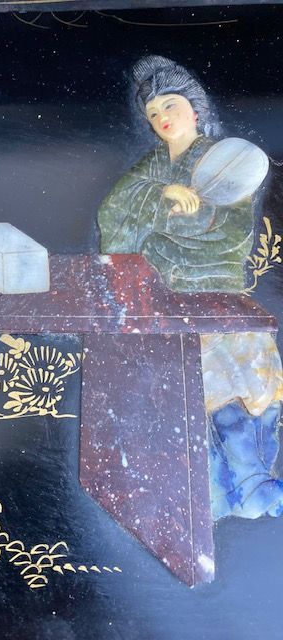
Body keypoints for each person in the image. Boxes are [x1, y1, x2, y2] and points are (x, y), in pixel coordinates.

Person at [98, 55, 283, 519]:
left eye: (170, 106)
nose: (162, 117)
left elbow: (230, 232)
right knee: (187, 398)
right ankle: (219, 493)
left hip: (217, 290)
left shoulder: (226, 161)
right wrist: (161, 197)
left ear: (194, 109)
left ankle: (254, 479)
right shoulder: (153, 167)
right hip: (166, 297)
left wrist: (169, 224)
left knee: (247, 382)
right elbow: (112, 213)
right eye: (153, 112)